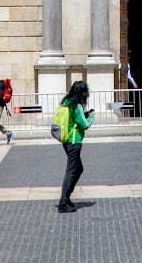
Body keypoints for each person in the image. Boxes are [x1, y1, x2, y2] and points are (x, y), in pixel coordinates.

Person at [56, 78, 94, 213]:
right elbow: (85, 124)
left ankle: (66, 198)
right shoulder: (76, 105)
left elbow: (73, 120)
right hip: (74, 141)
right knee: (72, 170)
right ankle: (63, 202)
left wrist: (84, 115)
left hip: (67, 141)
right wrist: (91, 117)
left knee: (78, 169)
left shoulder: (66, 103)